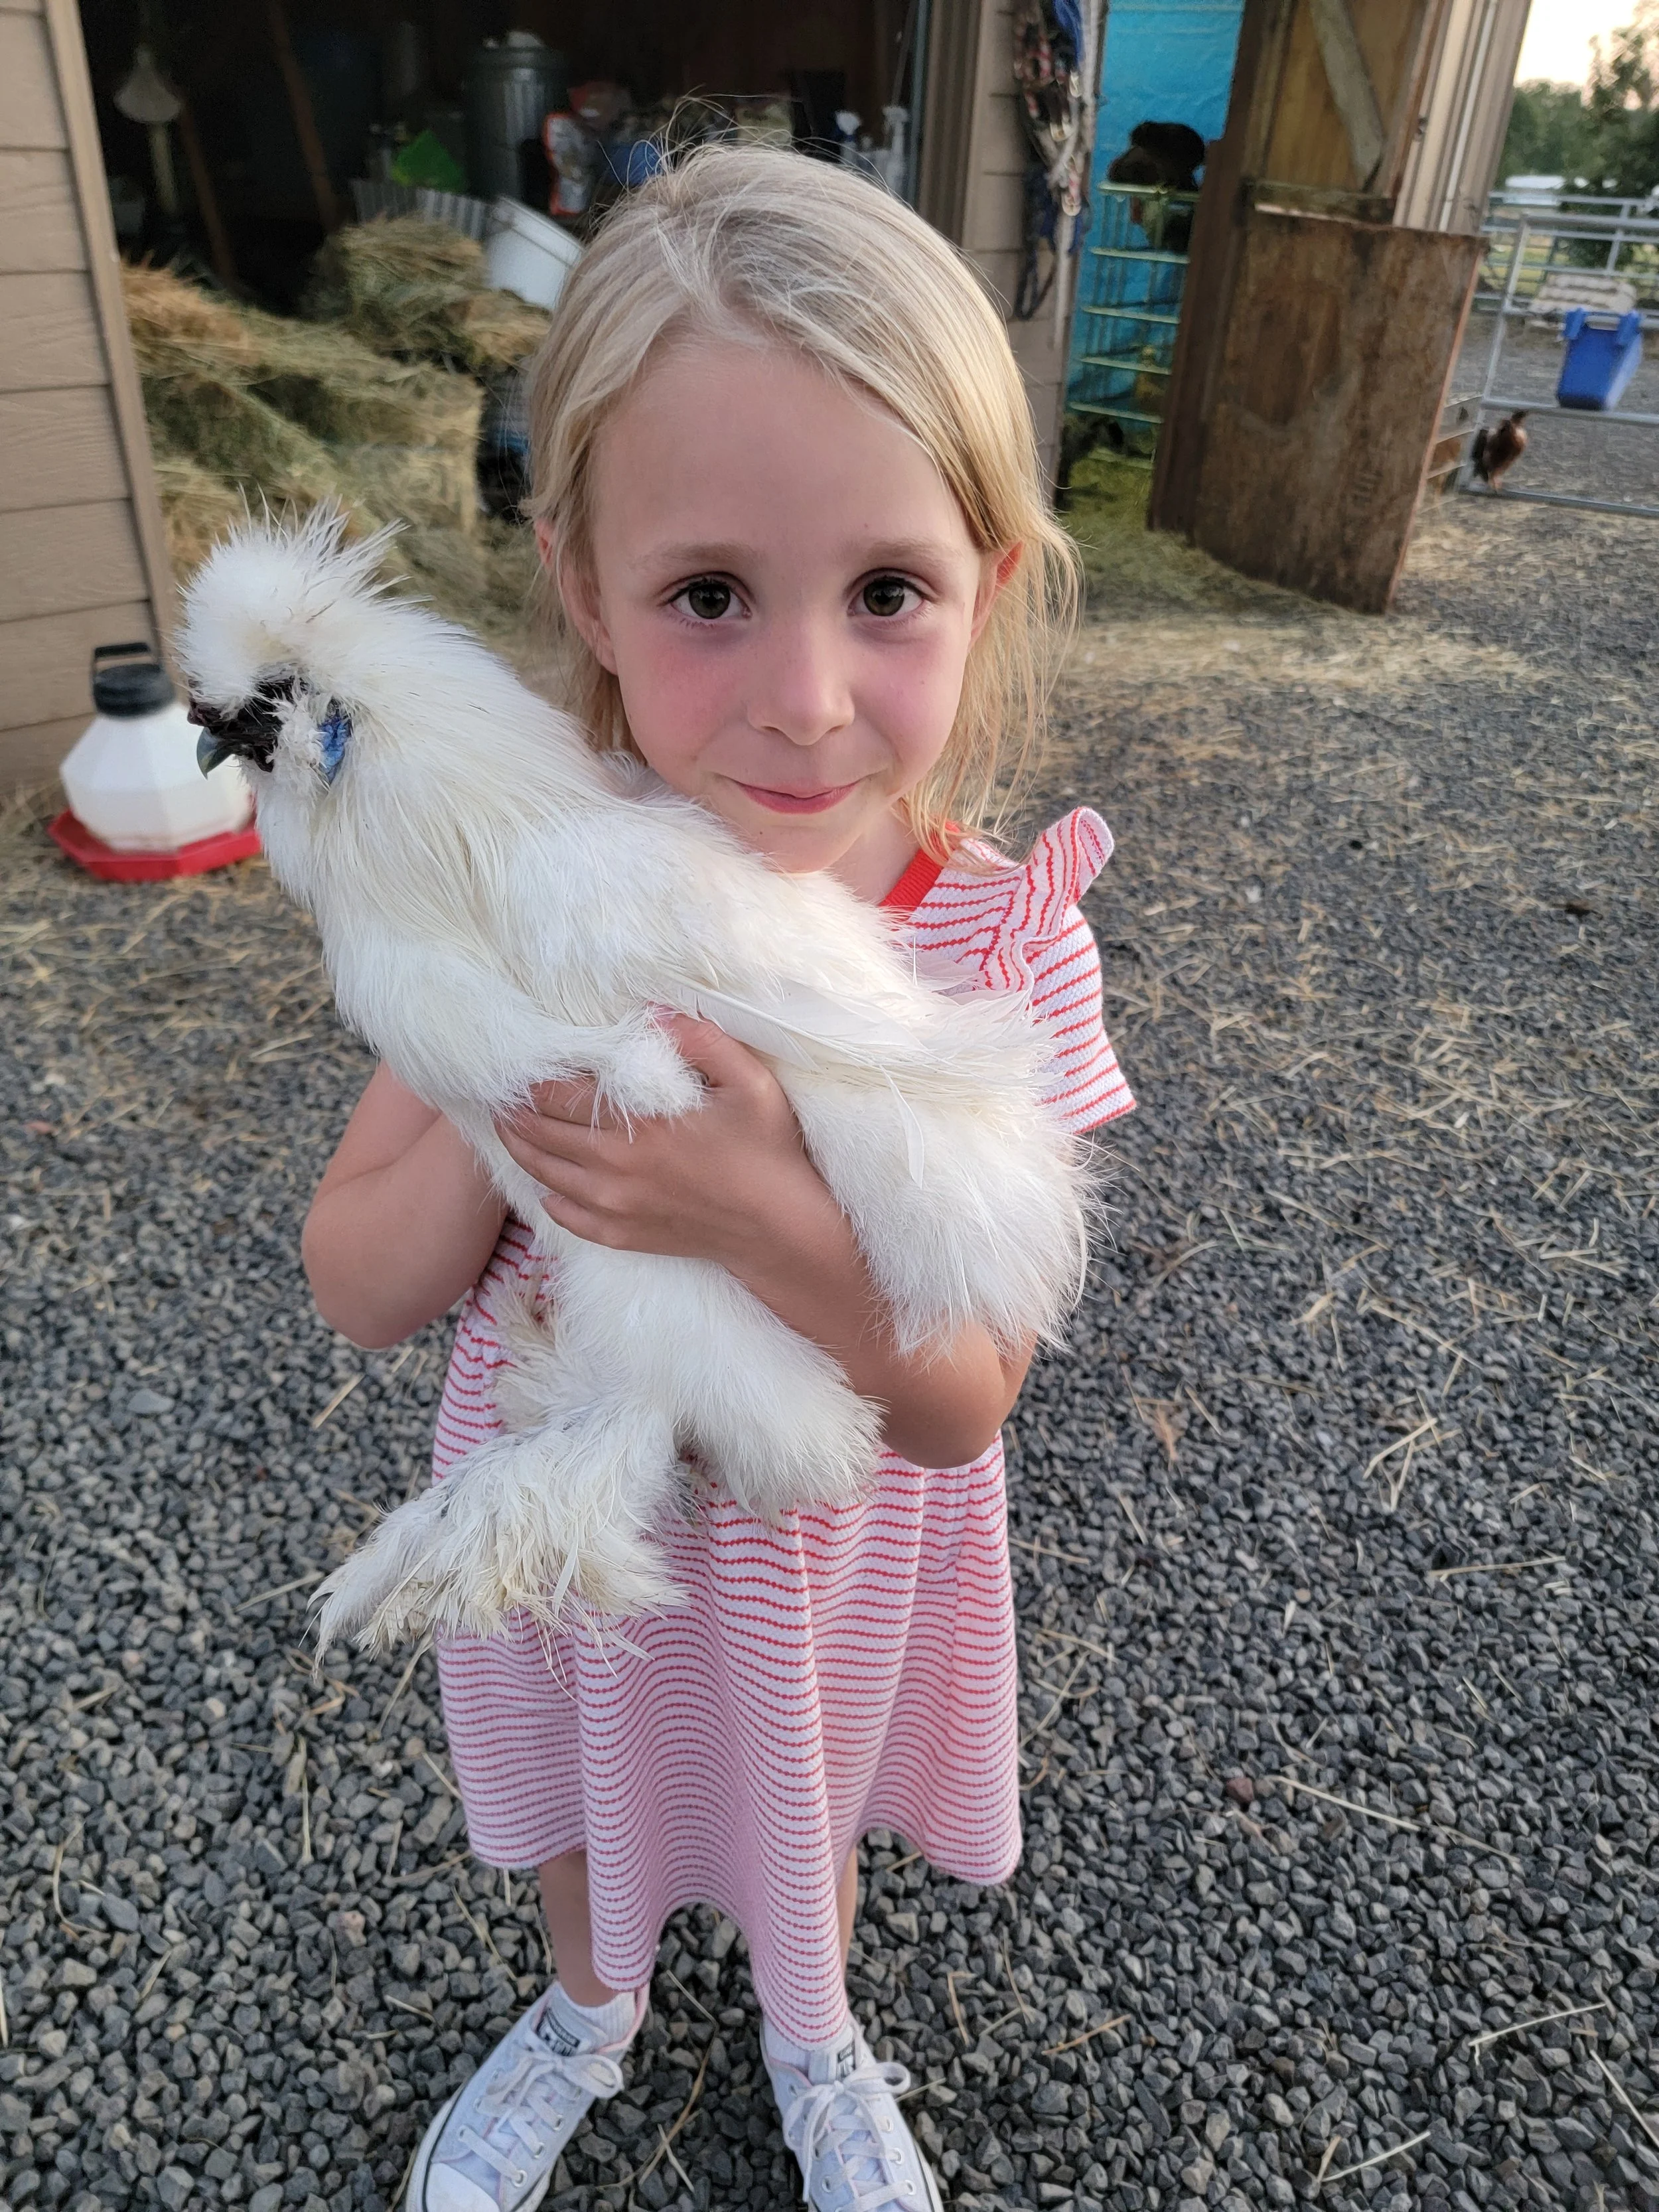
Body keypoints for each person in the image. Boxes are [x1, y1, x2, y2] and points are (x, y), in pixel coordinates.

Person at [301, 142, 1133, 2212]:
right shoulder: (513, 888)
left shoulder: (997, 938)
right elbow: (358, 1276)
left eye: (884, 593)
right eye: (705, 596)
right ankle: (585, 2007)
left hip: (821, 1542)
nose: (800, 695)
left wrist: (750, 1205)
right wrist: (521, 1128)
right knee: (585, 1761)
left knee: (795, 1777)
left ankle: (810, 2028)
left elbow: (954, 1405)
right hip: (565, 1489)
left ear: (987, 587)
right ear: (581, 584)